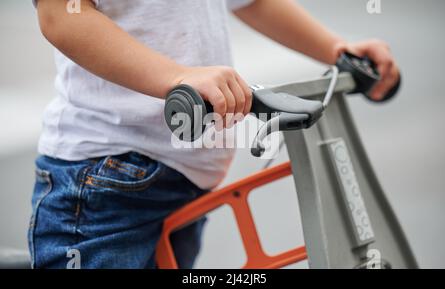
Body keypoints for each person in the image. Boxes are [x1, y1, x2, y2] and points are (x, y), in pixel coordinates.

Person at [30, 0, 400, 269]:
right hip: (106, 177)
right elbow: (62, 14)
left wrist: (333, 48)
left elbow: (253, 2)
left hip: (183, 178)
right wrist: (177, 77)